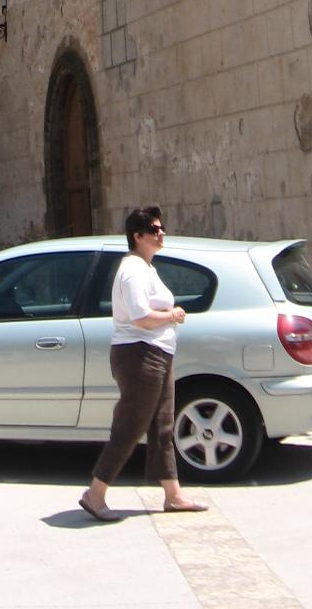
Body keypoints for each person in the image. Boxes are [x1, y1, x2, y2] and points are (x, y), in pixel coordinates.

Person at [78, 205, 208, 522]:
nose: (161, 233)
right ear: (137, 236)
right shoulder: (133, 270)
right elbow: (140, 317)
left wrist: (168, 319)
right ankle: (95, 494)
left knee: (162, 426)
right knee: (130, 426)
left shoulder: (147, 267)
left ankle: (173, 495)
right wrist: (173, 315)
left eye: (161, 228)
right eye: (154, 230)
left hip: (158, 352)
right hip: (139, 354)